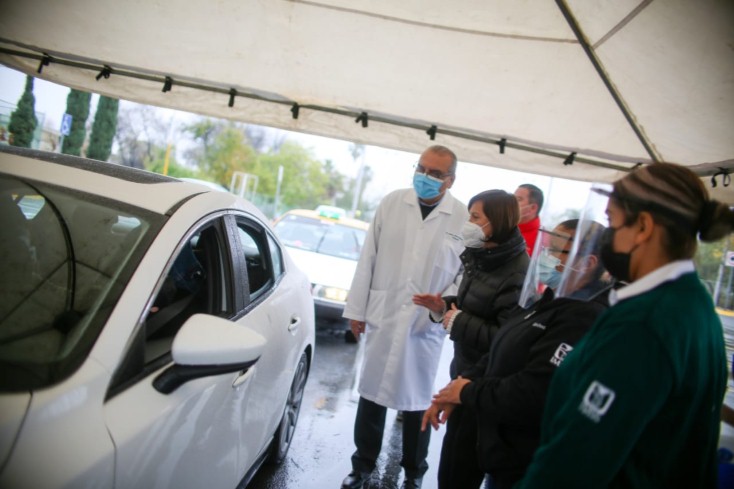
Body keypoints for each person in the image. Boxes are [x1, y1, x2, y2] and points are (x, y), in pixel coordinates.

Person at [515, 162, 732, 488]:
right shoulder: (693, 303)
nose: (607, 237)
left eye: (612, 221)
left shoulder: (643, 325)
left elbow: (577, 459)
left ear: (643, 227)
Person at [422, 218, 612, 489]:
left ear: (587, 263)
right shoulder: (552, 299)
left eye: (555, 250)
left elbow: (535, 390)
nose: (544, 256)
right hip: (500, 445)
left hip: (525, 457)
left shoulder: (584, 316)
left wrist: (467, 392)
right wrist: (459, 386)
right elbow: (503, 346)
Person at [341, 145, 469, 489]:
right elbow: (368, 256)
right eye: (421, 169)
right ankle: (361, 465)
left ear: (450, 180)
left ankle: (414, 471)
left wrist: (444, 305)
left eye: (435, 173)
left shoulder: (463, 218)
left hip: (423, 325)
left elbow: (464, 274)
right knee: (371, 394)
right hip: (384, 313)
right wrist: (357, 309)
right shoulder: (392, 203)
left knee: (416, 402)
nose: (425, 177)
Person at [412, 189, 529, 489]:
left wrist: (459, 321)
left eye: (476, 217)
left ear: (498, 223)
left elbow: (508, 340)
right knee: (452, 463)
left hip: (484, 384)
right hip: (465, 372)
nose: (469, 223)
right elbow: (474, 306)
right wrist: (444, 307)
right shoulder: (482, 257)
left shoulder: (515, 272)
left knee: (461, 469)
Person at [514, 184, 543, 255]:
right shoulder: (502, 227)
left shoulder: (541, 241)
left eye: (518, 199)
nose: (511, 203)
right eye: (512, 198)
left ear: (533, 208)